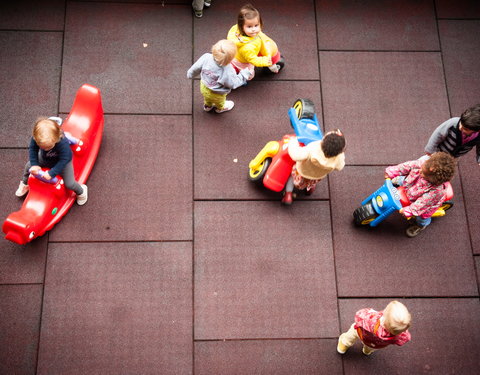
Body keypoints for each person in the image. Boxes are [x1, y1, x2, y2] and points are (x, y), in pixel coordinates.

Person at [15, 117, 88, 205]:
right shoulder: (36, 138)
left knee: (69, 184)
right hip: (45, 159)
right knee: (28, 166)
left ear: (56, 139)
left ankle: (81, 191)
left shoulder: (62, 142)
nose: (45, 149)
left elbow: (65, 159)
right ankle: (25, 183)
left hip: (63, 162)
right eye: (42, 147)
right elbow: (33, 149)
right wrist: (34, 164)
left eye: (48, 147)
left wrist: (52, 173)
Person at [384, 152, 456, 237]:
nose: (420, 170)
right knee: (402, 179)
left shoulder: (436, 191)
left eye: (424, 174)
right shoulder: (423, 164)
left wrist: (409, 211)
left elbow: (422, 204)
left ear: (435, 181)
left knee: (422, 217)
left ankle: (421, 226)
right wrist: (392, 172)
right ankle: (399, 180)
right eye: (423, 167)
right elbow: (406, 166)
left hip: (423, 201)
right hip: (410, 183)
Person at [282, 130, 346, 205]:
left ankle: (288, 194)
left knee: (291, 178)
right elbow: (340, 167)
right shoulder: (338, 158)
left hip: (301, 172)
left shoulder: (313, 149)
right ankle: (309, 190)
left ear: (322, 142)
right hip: (317, 176)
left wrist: (293, 141)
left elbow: (296, 155)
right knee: (311, 182)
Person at [187, 39, 251, 113]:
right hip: (217, 93)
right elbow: (233, 83)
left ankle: (207, 106)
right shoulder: (227, 70)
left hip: (204, 86)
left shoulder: (206, 57)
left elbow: (195, 68)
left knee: (207, 98)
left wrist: (190, 74)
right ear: (231, 59)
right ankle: (220, 108)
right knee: (220, 102)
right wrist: (245, 74)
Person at [227, 3, 281, 79]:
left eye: (256, 25)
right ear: (242, 27)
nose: (253, 29)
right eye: (249, 26)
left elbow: (261, 36)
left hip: (236, 55)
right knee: (250, 75)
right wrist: (265, 61)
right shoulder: (247, 47)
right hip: (242, 63)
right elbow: (254, 60)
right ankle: (241, 79)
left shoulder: (235, 29)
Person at [337, 301, 411, 356]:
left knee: (351, 335)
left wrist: (371, 312)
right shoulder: (401, 335)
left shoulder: (371, 322)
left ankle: (343, 346)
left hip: (361, 333)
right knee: (370, 347)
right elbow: (404, 339)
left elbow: (359, 315)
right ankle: (366, 351)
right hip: (376, 344)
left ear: (384, 319)